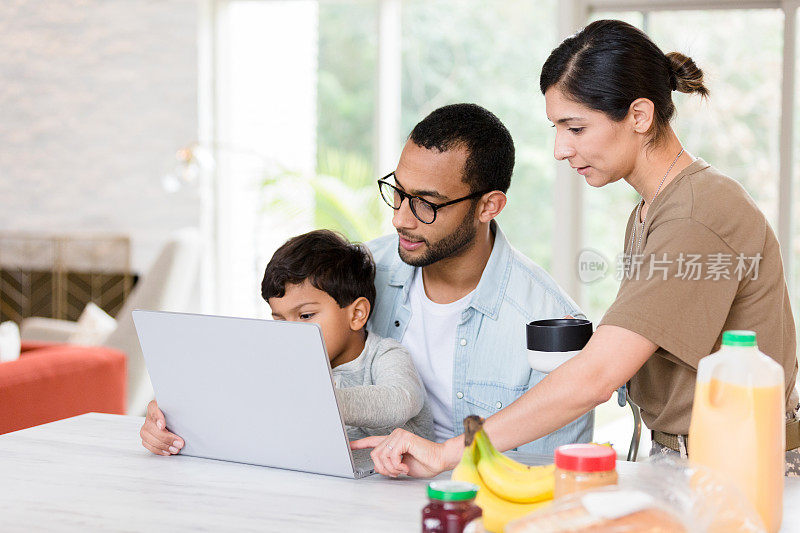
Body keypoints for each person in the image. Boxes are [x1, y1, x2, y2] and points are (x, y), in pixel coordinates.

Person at [352, 20, 800, 478]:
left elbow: (597, 376)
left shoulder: (696, 212)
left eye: (576, 128)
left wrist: (448, 452)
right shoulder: (655, 208)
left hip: (739, 463)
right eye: (556, 128)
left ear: (640, 116)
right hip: (691, 458)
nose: (560, 149)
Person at [365, 103, 592, 452]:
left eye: (426, 204)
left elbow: (547, 475)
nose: (400, 219)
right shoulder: (360, 273)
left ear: (489, 206)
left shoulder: (552, 323)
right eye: (398, 192)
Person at [139, 230, 433, 455]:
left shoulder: (385, 355)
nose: (291, 332)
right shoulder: (281, 364)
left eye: (305, 315)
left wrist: (312, 402)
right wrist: (169, 415)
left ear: (356, 314)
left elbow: (400, 400)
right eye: (280, 319)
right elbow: (229, 398)